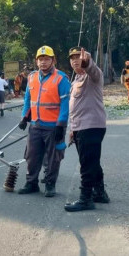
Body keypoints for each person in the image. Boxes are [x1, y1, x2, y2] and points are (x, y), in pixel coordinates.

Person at [17, 45, 70, 197]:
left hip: (54, 126)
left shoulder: (61, 79)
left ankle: (50, 184)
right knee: (32, 156)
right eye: (41, 59)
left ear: (53, 60)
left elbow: (66, 104)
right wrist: (24, 117)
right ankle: (31, 183)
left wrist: (61, 123)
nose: (43, 62)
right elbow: (28, 99)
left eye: (47, 59)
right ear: (36, 61)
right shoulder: (32, 77)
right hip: (35, 125)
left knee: (53, 158)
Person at [64, 47, 109, 212]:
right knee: (92, 162)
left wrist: (88, 62)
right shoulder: (76, 80)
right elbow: (75, 107)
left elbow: (93, 70)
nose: (75, 60)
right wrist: (72, 130)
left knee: (86, 164)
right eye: (72, 58)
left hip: (91, 126)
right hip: (80, 127)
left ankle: (86, 199)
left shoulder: (93, 77)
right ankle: (100, 193)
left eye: (78, 57)